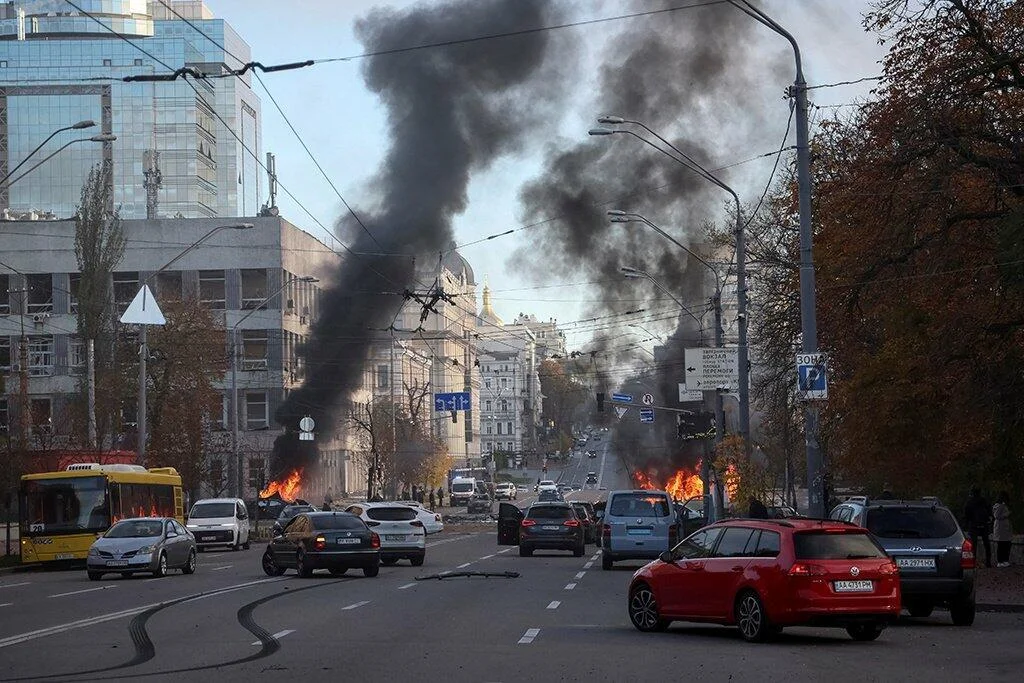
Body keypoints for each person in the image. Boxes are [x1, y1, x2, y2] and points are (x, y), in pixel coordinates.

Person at [964, 487, 993, 568]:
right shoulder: (984, 501)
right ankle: (988, 562)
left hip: (973, 525)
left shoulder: (969, 502)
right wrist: (988, 518)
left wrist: (968, 522)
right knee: (986, 543)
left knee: (973, 545)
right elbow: (989, 510)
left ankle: (973, 561)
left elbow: (966, 514)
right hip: (984, 524)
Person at [992, 492, 1012, 568]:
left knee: (1006, 544)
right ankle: (1000, 561)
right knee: (1002, 545)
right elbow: (996, 515)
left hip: (1004, 528)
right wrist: (1007, 514)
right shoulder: (999, 506)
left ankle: (1005, 560)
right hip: (1001, 528)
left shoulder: (1002, 506)